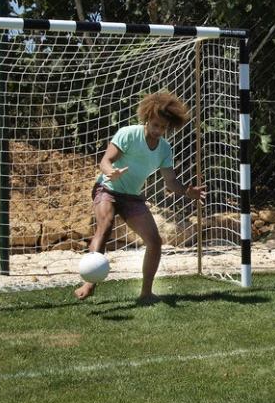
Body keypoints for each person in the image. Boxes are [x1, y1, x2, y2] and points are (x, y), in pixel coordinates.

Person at [75, 92, 206, 303]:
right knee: (105, 224)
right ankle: (90, 282)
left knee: (154, 240)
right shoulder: (128, 134)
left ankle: (146, 293)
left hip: (132, 197)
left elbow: (171, 182)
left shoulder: (164, 148)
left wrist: (187, 191)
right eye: (155, 125)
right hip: (107, 188)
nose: (158, 131)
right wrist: (111, 173)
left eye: (163, 127)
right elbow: (105, 161)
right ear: (146, 119)